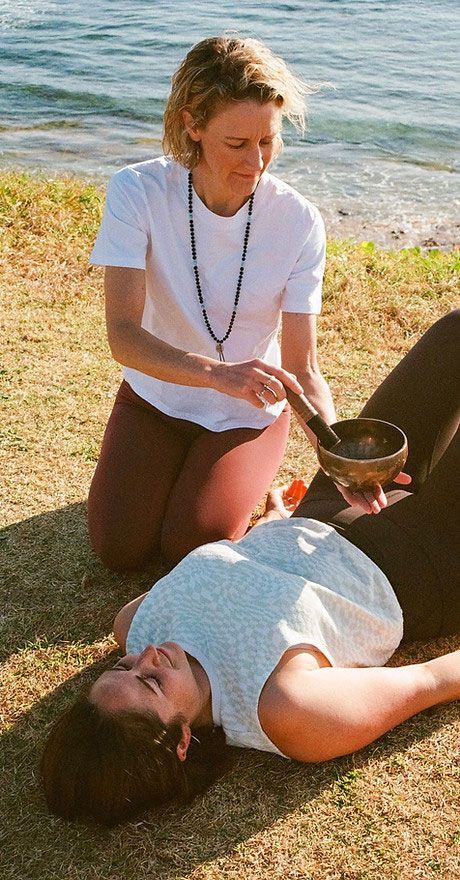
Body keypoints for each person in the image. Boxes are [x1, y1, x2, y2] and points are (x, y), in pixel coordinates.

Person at [41, 311, 459, 826]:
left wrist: (269, 528)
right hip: (423, 561)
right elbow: (431, 680)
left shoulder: (136, 625)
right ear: (183, 744)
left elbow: (229, 580)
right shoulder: (287, 711)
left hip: (324, 509)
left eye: (122, 668)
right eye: (150, 683)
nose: (146, 656)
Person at [87, 34, 379, 573]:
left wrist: (339, 463)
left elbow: (303, 367)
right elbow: (122, 335)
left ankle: (267, 503)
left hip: (247, 412)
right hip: (156, 398)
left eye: (267, 141)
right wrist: (215, 373)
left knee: (188, 547)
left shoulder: (297, 220)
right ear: (192, 125)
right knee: (118, 549)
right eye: (237, 143)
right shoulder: (137, 191)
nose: (257, 162)